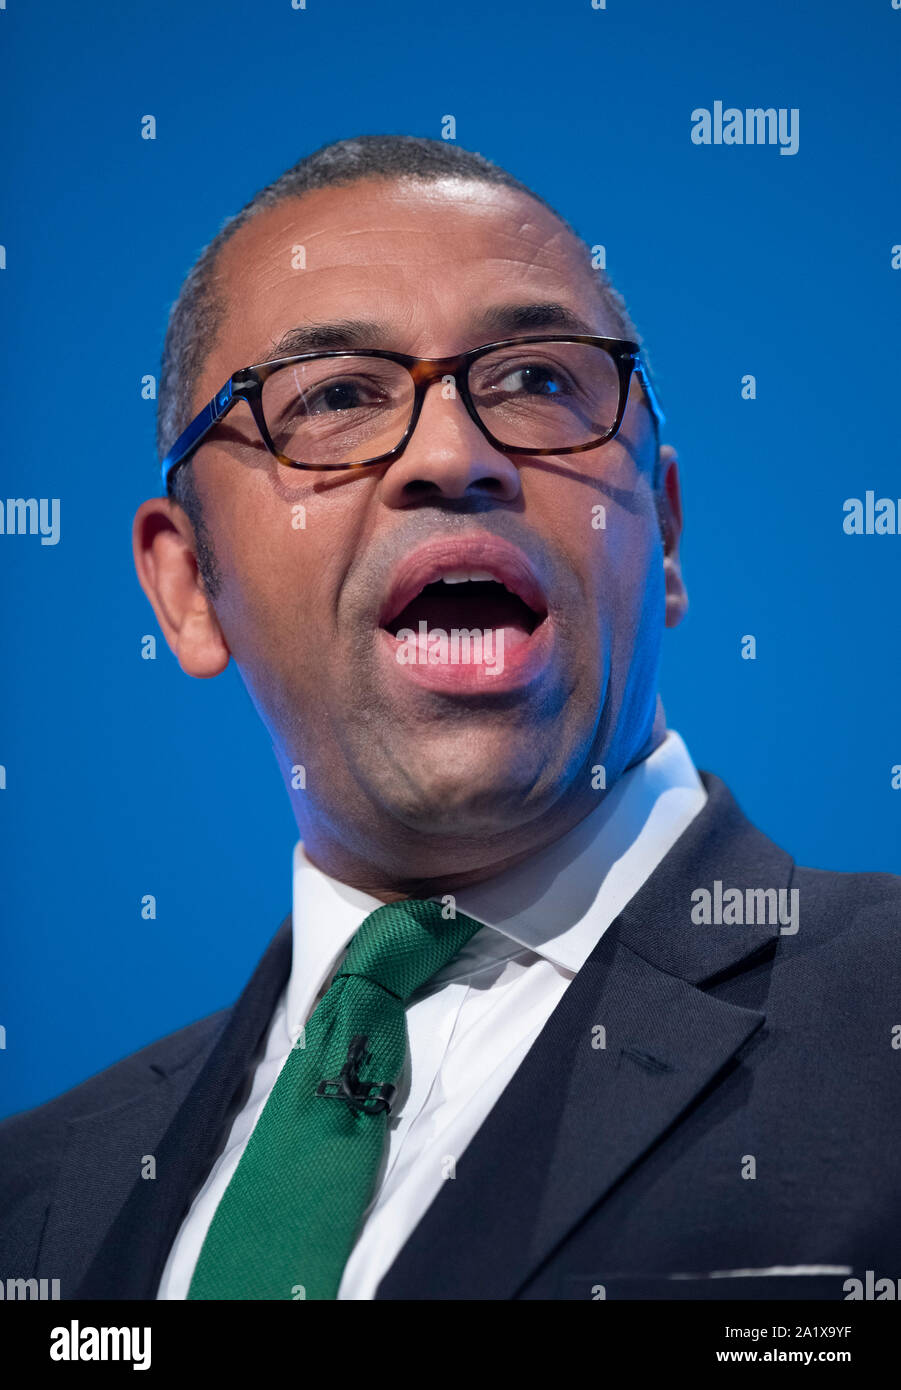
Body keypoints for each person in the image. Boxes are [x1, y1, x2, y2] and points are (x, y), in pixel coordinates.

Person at [2, 135, 899, 1302]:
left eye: (537, 378)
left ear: (664, 533)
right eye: (332, 397)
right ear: (187, 587)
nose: (450, 453)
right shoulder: (30, 1196)